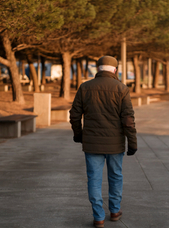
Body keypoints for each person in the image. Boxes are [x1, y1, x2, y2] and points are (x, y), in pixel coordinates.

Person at [70, 55, 137, 228]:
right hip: (115, 144)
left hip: (92, 143)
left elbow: (75, 114)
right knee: (115, 176)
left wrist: (79, 135)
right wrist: (132, 142)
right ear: (115, 70)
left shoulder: (85, 88)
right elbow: (128, 119)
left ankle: (98, 217)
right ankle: (114, 211)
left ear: (97, 68)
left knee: (94, 178)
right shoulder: (121, 88)